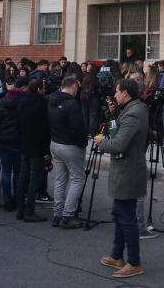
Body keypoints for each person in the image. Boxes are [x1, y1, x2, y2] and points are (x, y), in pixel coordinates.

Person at [96, 78, 149, 279]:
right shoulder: (132, 109)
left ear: (125, 92)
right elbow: (116, 127)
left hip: (128, 172)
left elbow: (118, 144)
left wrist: (101, 142)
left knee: (127, 218)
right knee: (119, 214)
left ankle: (134, 262)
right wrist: (112, 114)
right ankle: (117, 256)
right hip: (125, 170)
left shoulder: (134, 113)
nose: (115, 95)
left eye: (117, 92)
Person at [48, 76, 87, 229]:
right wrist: (83, 143)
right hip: (70, 146)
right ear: (72, 87)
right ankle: (68, 214)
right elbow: (78, 128)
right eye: (77, 87)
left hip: (55, 143)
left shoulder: (51, 100)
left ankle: (57, 213)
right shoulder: (72, 104)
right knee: (77, 179)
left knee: (60, 180)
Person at [14, 78, 50, 222]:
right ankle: (29, 210)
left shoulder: (22, 101)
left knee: (23, 176)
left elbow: (17, 122)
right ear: (40, 88)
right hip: (37, 145)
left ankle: (20, 209)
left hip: (24, 143)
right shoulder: (41, 103)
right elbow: (44, 129)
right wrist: (46, 151)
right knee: (34, 178)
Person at [0, 76, 24, 212]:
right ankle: (18, 199)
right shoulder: (22, 103)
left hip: (3, 139)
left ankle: (7, 200)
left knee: (6, 171)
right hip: (18, 140)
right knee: (18, 171)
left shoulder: (1, 102)